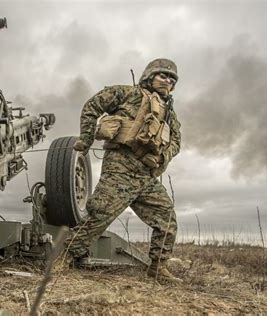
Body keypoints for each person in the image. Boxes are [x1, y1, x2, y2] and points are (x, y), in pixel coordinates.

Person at [63, 58, 182, 283]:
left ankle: (158, 268)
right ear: (149, 76)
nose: (167, 80)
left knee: (167, 220)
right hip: (120, 167)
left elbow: (176, 141)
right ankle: (65, 256)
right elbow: (92, 106)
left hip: (145, 176)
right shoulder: (127, 93)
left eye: (172, 78)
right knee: (99, 215)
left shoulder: (169, 114)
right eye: (162, 75)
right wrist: (87, 138)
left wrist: (164, 156)